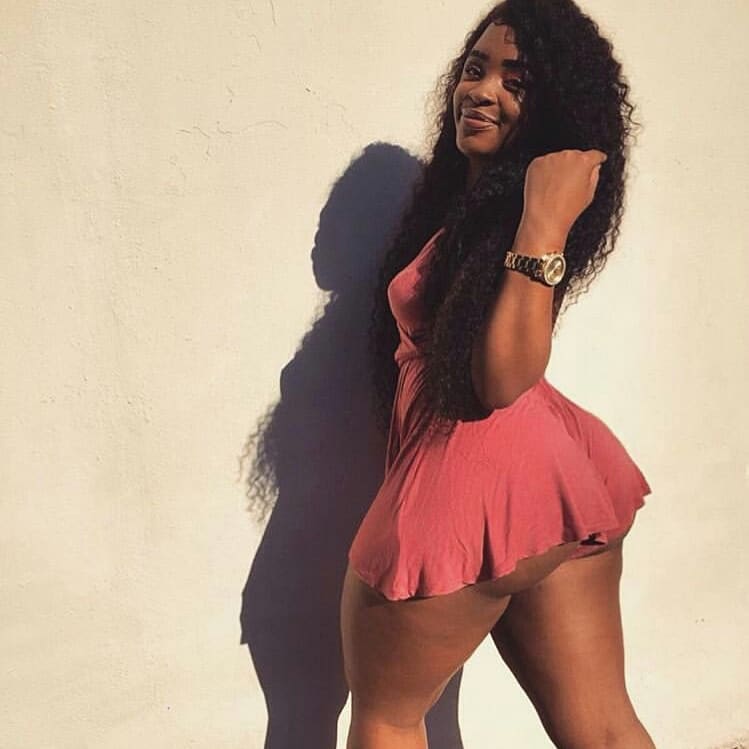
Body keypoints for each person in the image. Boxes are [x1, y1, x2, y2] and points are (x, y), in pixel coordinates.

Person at [339, 1, 657, 747]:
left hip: (474, 475)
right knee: (602, 728)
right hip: (553, 476)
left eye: (516, 82)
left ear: (553, 109)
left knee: (387, 718)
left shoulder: (528, 213)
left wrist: (545, 222)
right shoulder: (473, 209)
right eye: (476, 68)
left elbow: (502, 379)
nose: (481, 91)